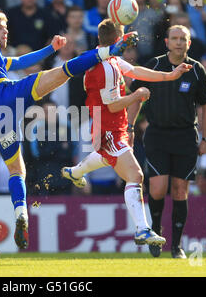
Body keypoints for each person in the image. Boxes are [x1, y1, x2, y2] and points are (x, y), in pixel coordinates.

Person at [0, 10, 139, 249]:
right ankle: (111, 50)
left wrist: (50, 49)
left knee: (17, 170)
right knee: (64, 72)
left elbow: (20, 62)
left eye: (5, 26)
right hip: (4, 95)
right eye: (0, 27)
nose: (5, 29)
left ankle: (20, 213)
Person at [62, 18, 192, 248]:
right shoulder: (106, 68)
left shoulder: (105, 57)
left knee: (106, 157)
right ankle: (143, 229)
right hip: (108, 128)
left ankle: (75, 171)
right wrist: (137, 95)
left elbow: (134, 70)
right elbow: (112, 105)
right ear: (117, 38)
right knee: (135, 176)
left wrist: (169, 76)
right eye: (123, 36)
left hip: (112, 126)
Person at [127, 25, 206, 259]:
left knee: (179, 191)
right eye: (174, 38)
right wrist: (129, 126)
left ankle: (176, 246)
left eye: (182, 39)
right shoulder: (154, 65)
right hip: (157, 134)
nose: (178, 42)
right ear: (166, 42)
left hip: (186, 136)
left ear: (189, 43)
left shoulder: (197, 70)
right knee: (157, 189)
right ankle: (156, 233)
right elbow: (136, 96)